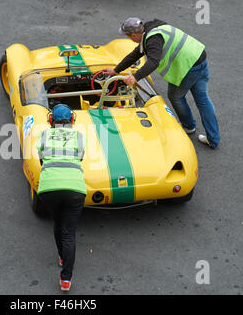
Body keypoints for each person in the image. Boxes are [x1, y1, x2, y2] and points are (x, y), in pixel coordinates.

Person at [101, 17, 220, 148]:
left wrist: (135, 77)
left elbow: (153, 62)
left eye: (129, 37)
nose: (131, 40)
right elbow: (136, 54)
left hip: (188, 67)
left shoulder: (153, 40)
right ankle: (213, 139)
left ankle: (188, 126)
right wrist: (116, 70)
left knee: (176, 97)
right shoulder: (155, 27)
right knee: (202, 99)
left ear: (134, 35)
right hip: (199, 57)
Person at [36, 104, 87, 291]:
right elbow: (80, 158)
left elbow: (41, 158)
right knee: (69, 233)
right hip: (75, 189)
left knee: (58, 223)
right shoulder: (80, 136)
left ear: (51, 121)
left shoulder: (44, 135)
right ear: (72, 120)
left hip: (48, 189)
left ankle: (61, 255)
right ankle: (66, 278)